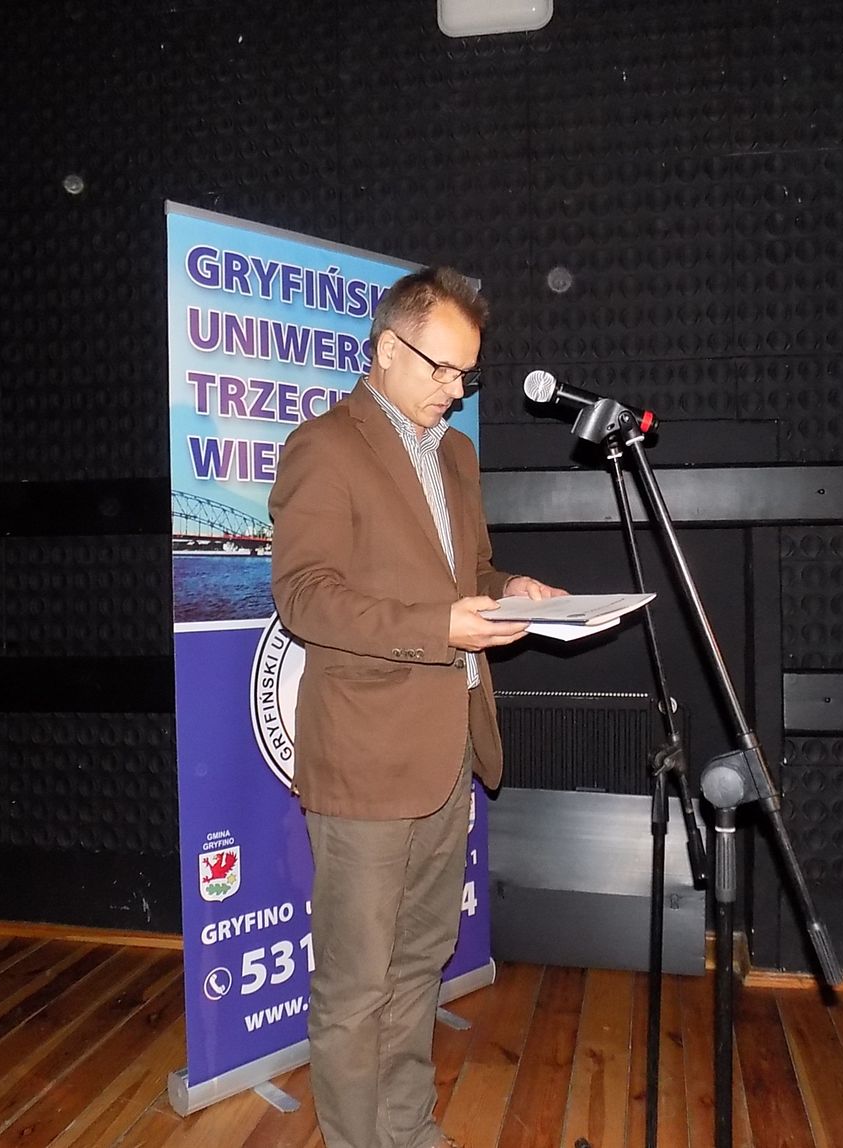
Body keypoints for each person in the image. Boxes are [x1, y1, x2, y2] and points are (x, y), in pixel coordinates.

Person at [269, 266, 564, 1148]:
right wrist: (439, 626)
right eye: (442, 368)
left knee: (418, 968)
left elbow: (467, 573)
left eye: (467, 373)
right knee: (357, 985)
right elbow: (305, 598)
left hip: (449, 751)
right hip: (365, 759)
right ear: (387, 348)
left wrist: (508, 590)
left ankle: (407, 1130)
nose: (456, 390)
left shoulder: (457, 455)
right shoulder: (324, 447)